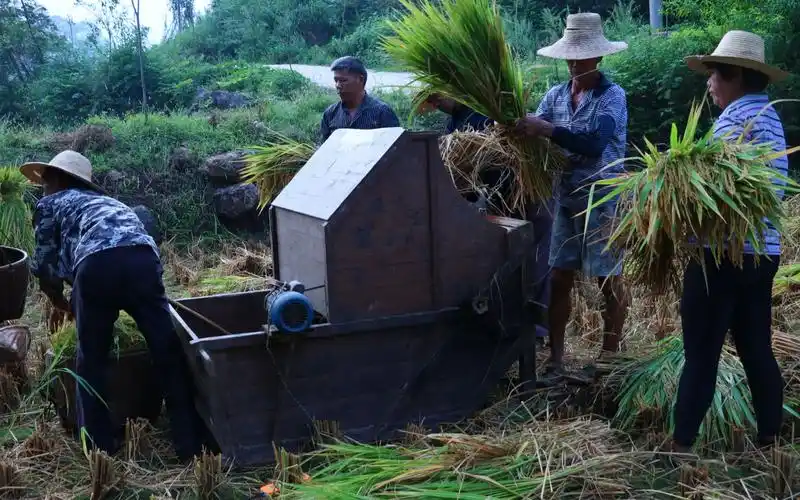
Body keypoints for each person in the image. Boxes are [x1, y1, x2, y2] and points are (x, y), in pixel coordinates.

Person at [22, 150, 208, 461]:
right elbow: (131, 238)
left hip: (97, 267)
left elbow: (44, 264)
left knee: (91, 360)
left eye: (45, 181)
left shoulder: (50, 203)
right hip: (143, 260)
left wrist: (60, 301)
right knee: (167, 351)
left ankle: (99, 448)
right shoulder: (111, 203)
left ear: (56, 179)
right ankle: (190, 444)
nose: (43, 187)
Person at [670, 30, 790, 454]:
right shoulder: (771, 119)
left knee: (701, 352)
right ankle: (769, 439)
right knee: (756, 345)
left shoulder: (734, 121)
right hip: (763, 253)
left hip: (721, 255)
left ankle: (680, 444)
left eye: (714, 75)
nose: (709, 83)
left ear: (735, 75)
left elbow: (703, 194)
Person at [513, 12, 630, 384]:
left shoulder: (612, 97)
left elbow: (595, 145)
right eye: (570, 58)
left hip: (603, 198)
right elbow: (537, 130)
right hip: (566, 197)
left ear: (598, 57)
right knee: (561, 276)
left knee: (606, 278)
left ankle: (609, 356)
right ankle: (557, 358)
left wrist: (547, 129)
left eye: (582, 58)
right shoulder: (556, 95)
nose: (574, 64)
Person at [320, 56, 401, 142]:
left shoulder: (382, 112)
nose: (338, 85)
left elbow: (395, 149)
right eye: (336, 80)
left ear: (360, 79)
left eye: (343, 80)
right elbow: (324, 150)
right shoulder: (330, 114)